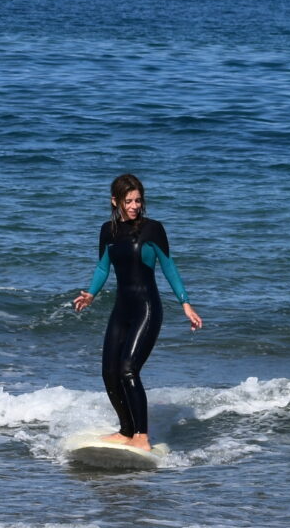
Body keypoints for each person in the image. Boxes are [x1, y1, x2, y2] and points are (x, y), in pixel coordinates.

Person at [72, 173, 202, 450]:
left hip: (147, 308)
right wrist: (91, 294)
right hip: (121, 309)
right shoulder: (108, 231)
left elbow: (169, 266)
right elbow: (102, 267)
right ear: (115, 201)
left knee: (129, 369)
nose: (134, 206)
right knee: (109, 372)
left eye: (138, 200)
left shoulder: (153, 229)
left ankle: (142, 436)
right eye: (128, 201)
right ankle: (126, 430)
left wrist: (186, 304)